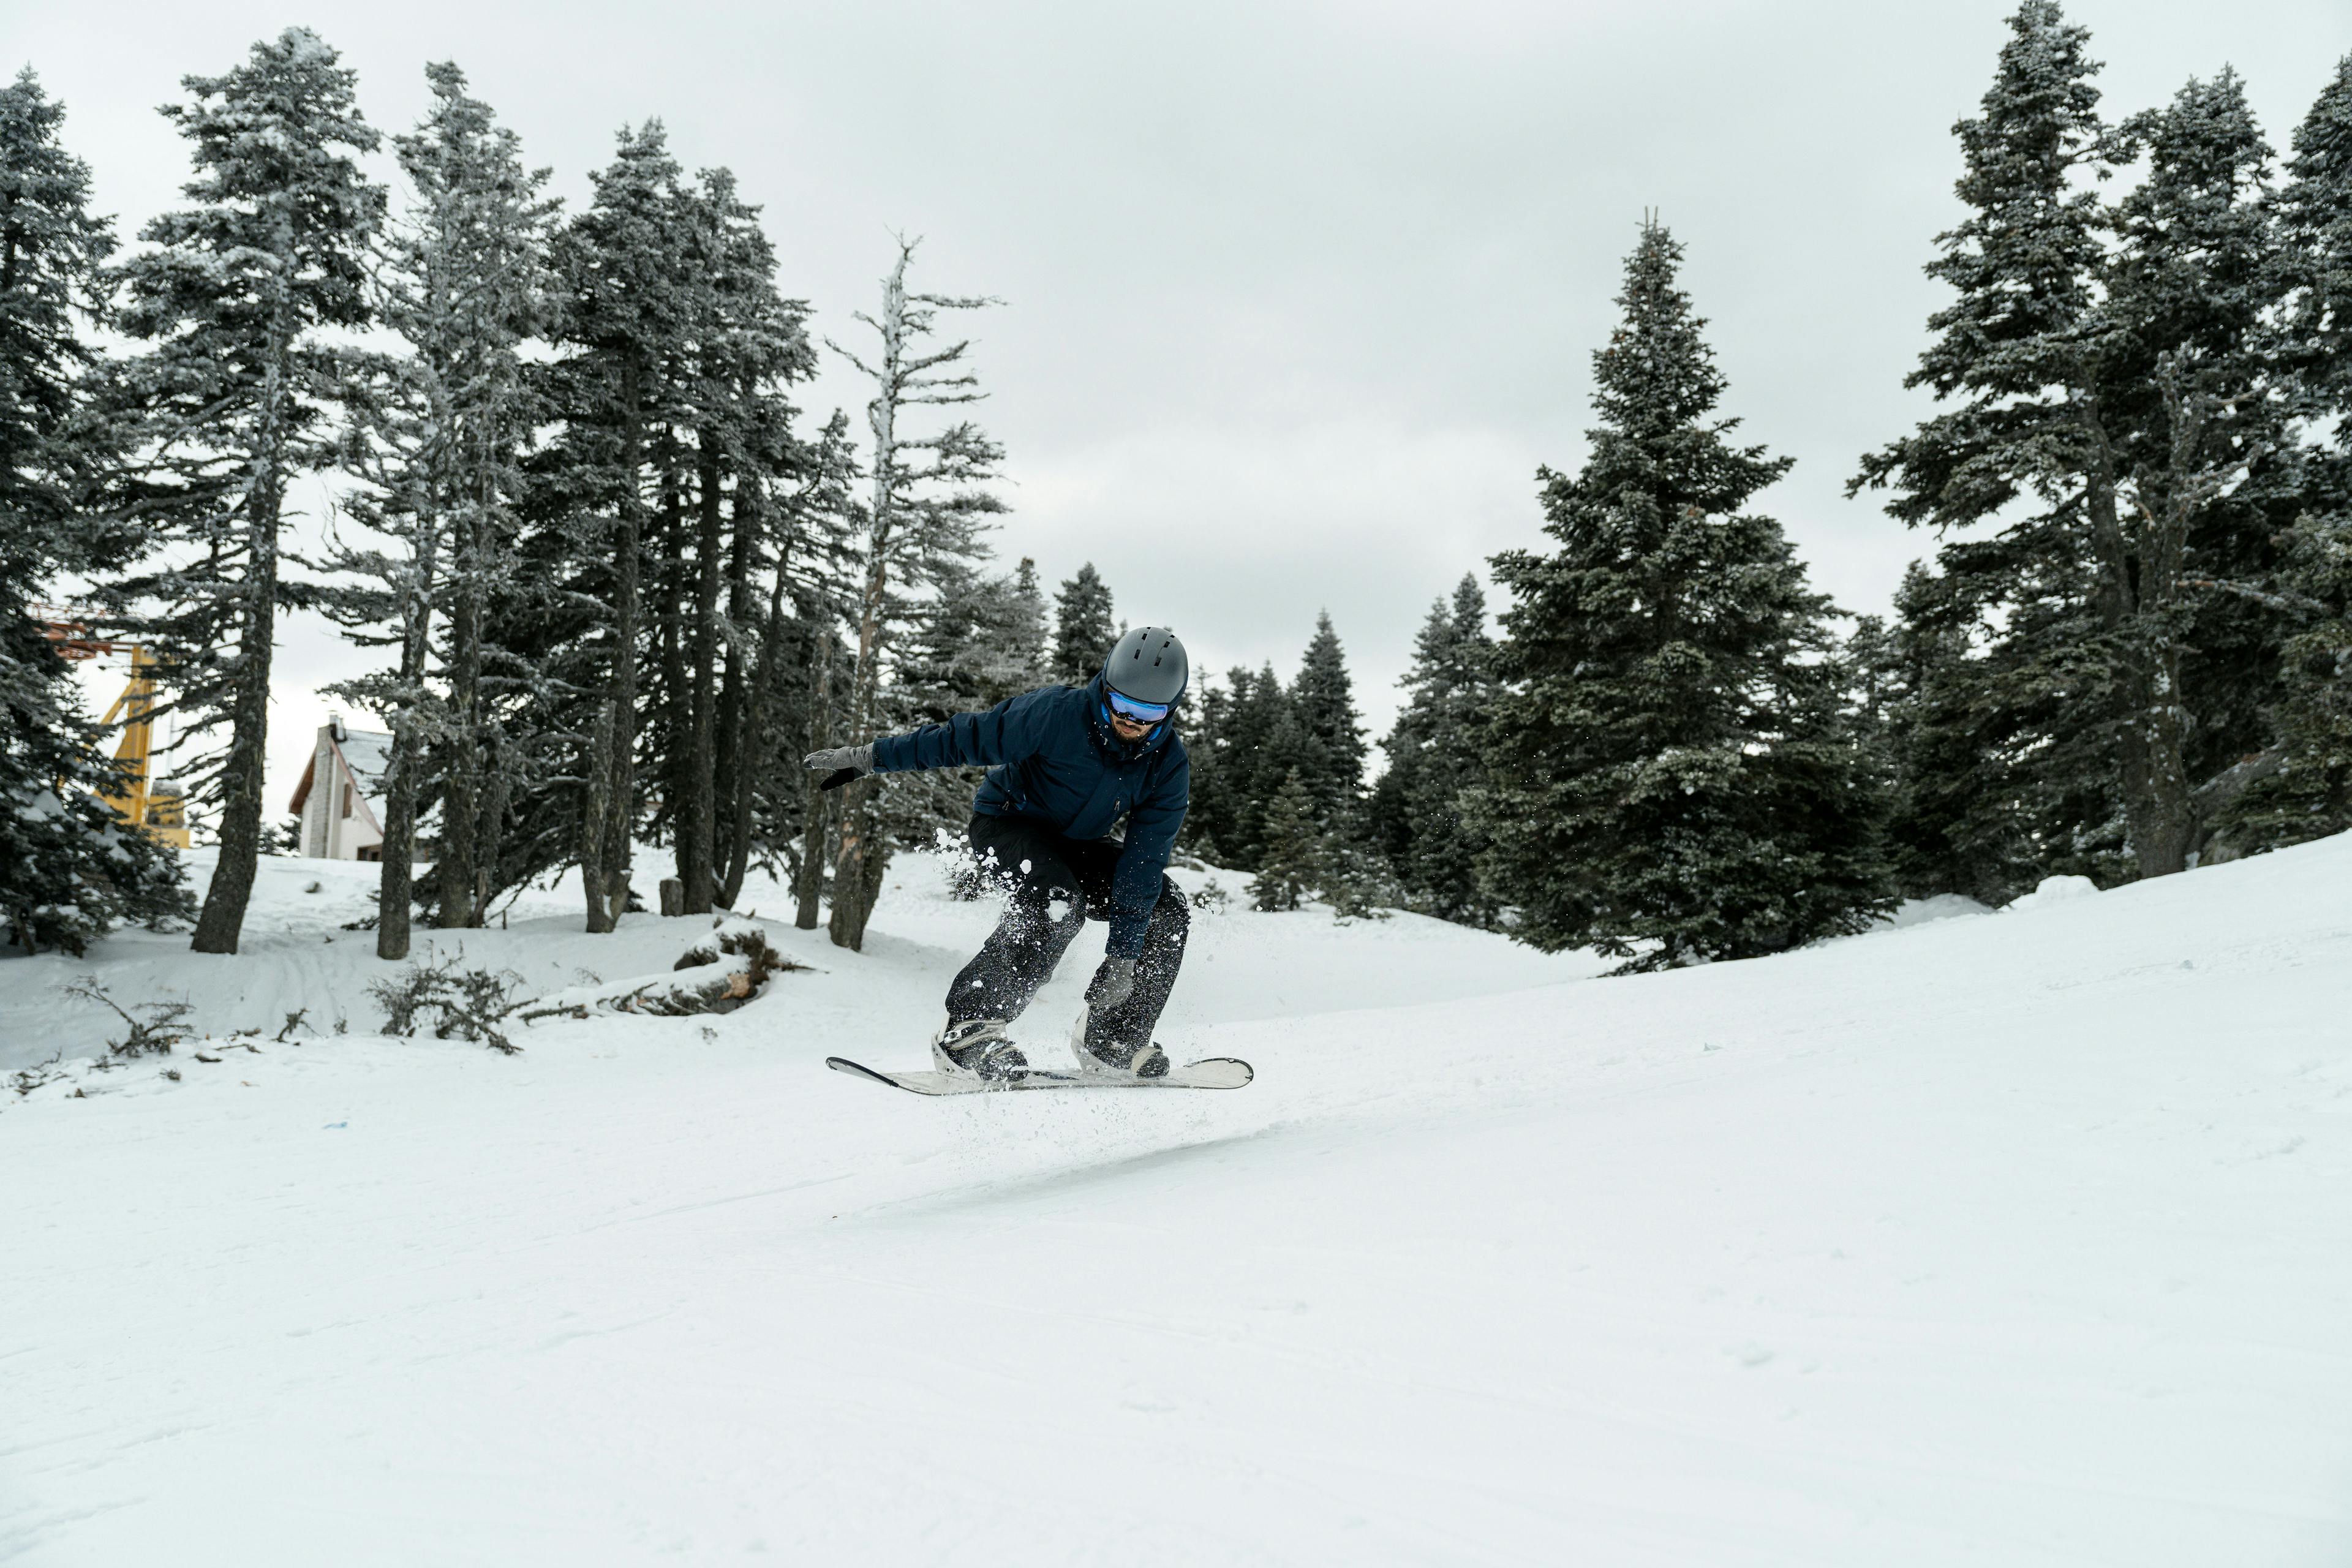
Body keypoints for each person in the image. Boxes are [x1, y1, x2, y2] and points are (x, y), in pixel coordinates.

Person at [803, 627, 1193, 1082]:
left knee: (1167, 909)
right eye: (1122, 705)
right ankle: (969, 1030)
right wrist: (872, 757)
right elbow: (963, 737)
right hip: (1008, 823)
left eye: (1149, 713)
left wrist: (1123, 957)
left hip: (1079, 844)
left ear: (1170, 711)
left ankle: (1113, 1038)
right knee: (1056, 903)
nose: (1132, 721)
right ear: (1105, 687)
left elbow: (1143, 862)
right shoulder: (1056, 714)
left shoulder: (1168, 765)